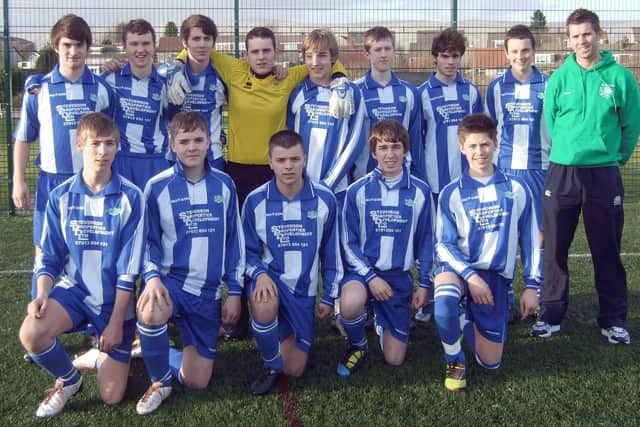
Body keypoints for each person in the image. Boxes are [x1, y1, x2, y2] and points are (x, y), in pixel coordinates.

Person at [173, 25, 351, 340]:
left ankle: (281, 308)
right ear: (245, 55)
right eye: (254, 51)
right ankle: (236, 315)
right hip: (237, 172)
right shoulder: (233, 68)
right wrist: (176, 62)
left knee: (280, 242)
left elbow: (326, 62)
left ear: (277, 52)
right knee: (239, 244)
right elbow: (195, 48)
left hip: (274, 173)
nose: (261, 57)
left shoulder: (290, 76)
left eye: (267, 50)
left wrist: (340, 80)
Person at [18, 112, 144, 417]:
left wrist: (116, 323)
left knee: (112, 396)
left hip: (115, 301)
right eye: (95, 144)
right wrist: (43, 294)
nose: (102, 151)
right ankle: (70, 380)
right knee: (32, 333)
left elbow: (128, 271)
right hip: (74, 291)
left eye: (109, 143)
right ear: (79, 145)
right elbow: (48, 256)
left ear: (118, 147)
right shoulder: (60, 197)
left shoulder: (131, 196)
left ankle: (99, 357)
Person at [531, 9, 640, 344]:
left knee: (606, 249)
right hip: (562, 174)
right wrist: (564, 157)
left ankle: (612, 319)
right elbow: (549, 123)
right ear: (568, 40)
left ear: (599, 35)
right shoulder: (559, 79)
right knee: (555, 249)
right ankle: (550, 314)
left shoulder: (621, 78)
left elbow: (630, 127)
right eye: (576, 36)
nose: (582, 41)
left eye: (587, 34)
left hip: (603, 175)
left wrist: (613, 159)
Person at [134, 111, 245, 415]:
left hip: (208, 293)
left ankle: (150, 349)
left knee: (197, 382)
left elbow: (235, 242)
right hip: (171, 284)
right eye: (184, 141)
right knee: (150, 308)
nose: (192, 147)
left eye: (198, 139)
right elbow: (147, 241)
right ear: (172, 145)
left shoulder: (225, 185)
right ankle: (159, 382)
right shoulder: (156, 186)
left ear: (210, 141)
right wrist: (153, 277)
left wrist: (234, 292)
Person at [433, 113, 541, 392]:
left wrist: (531, 287)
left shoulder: (517, 189)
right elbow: (443, 245)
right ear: (462, 148)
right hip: (460, 270)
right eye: (472, 146)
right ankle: (453, 358)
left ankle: (464, 316)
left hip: (495, 277)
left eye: (484, 145)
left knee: (489, 362)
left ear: (495, 143)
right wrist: (470, 276)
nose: (479, 152)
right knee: (444, 298)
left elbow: (530, 241)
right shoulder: (450, 193)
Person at [12, 14, 115, 299]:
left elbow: (112, 139)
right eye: (67, 44)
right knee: (45, 254)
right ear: (55, 46)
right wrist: (18, 181)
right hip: (51, 184)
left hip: (91, 184)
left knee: (91, 254)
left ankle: (93, 324)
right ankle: (41, 318)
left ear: (87, 48)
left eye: (80, 45)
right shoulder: (38, 89)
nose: (74, 51)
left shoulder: (102, 89)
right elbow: (23, 138)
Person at [242, 130, 343, 395]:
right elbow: (246, 253)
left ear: (305, 159)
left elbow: (332, 254)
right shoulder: (254, 201)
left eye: (295, 159)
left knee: (296, 369)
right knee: (264, 303)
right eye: (282, 159)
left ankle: (281, 338)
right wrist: (259, 274)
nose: (288, 166)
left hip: (303, 293)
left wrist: (329, 297)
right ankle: (270, 364)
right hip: (270, 283)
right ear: (270, 162)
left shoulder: (324, 199)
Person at [336, 119, 434, 376]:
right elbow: (348, 242)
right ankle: (357, 344)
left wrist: (424, 284)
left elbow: (426, 241)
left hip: (397, 278)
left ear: (405, 150)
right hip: (363, 273)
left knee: (394, 359)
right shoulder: (357, 190)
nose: (390, 154)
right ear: (373, 153)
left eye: (395, 147)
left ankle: (381, 321)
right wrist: (370, 277)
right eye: (383, 148)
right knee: (350, 303)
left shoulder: (421, 191)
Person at [415, 28, 482, 323]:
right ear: (435, 58)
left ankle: (466, 295)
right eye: (445, 56)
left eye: (455, 56)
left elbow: (480, 135)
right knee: (432, 239)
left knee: (467, 237)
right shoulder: (422, 94)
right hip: (433, 180)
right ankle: (427, 296)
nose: (451, 62)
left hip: (466, 182)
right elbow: (418, 138)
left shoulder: (470, 92)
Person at [485, 25, 549, 321]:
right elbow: (492, 130)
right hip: (507, 171)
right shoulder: (496, 88)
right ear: (507, 53)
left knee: (537, 236)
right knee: (505, 235)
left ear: (533, 51)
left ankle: (537, 294)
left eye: (526, 50)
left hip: (539, 169)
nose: (520, 56)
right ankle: (506, 299)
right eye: (515, 51)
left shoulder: (549, 84)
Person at [287, 28, 366, 203]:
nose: (315, 62)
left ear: (333, 57)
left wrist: (329, 182)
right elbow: (289, 141)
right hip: (301, 189)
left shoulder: (350, 92)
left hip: (337, 189)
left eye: (322, 55)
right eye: (309, 56)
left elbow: (356, 141)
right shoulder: (297, 93)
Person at [104, 18, 170, 189]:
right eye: (134, 44)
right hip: (121, 160)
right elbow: (81, 81)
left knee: (155, 215)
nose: (140, 49)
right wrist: (35, 81)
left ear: (154, 46)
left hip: (155, 162)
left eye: (146, 43)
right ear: (125, 47)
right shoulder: (110, 80)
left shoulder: (166, 85)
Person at [354, 26, 424, 181]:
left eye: (388, 49)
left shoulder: (410, 91)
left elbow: (416, 138)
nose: (384, 55)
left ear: (394, 51)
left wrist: (418, 174)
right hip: (364, 175)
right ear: (367, 54)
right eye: (378, 50)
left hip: (403, 175)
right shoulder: (355, 91)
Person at [165, 15, 227, 170]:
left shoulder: (223, 77)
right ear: (185, 42)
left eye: (207, 39)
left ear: (213, 42)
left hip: (212, 157)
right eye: (196, 39)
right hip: (175, 158)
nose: (202, 44)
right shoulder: (168, 75)